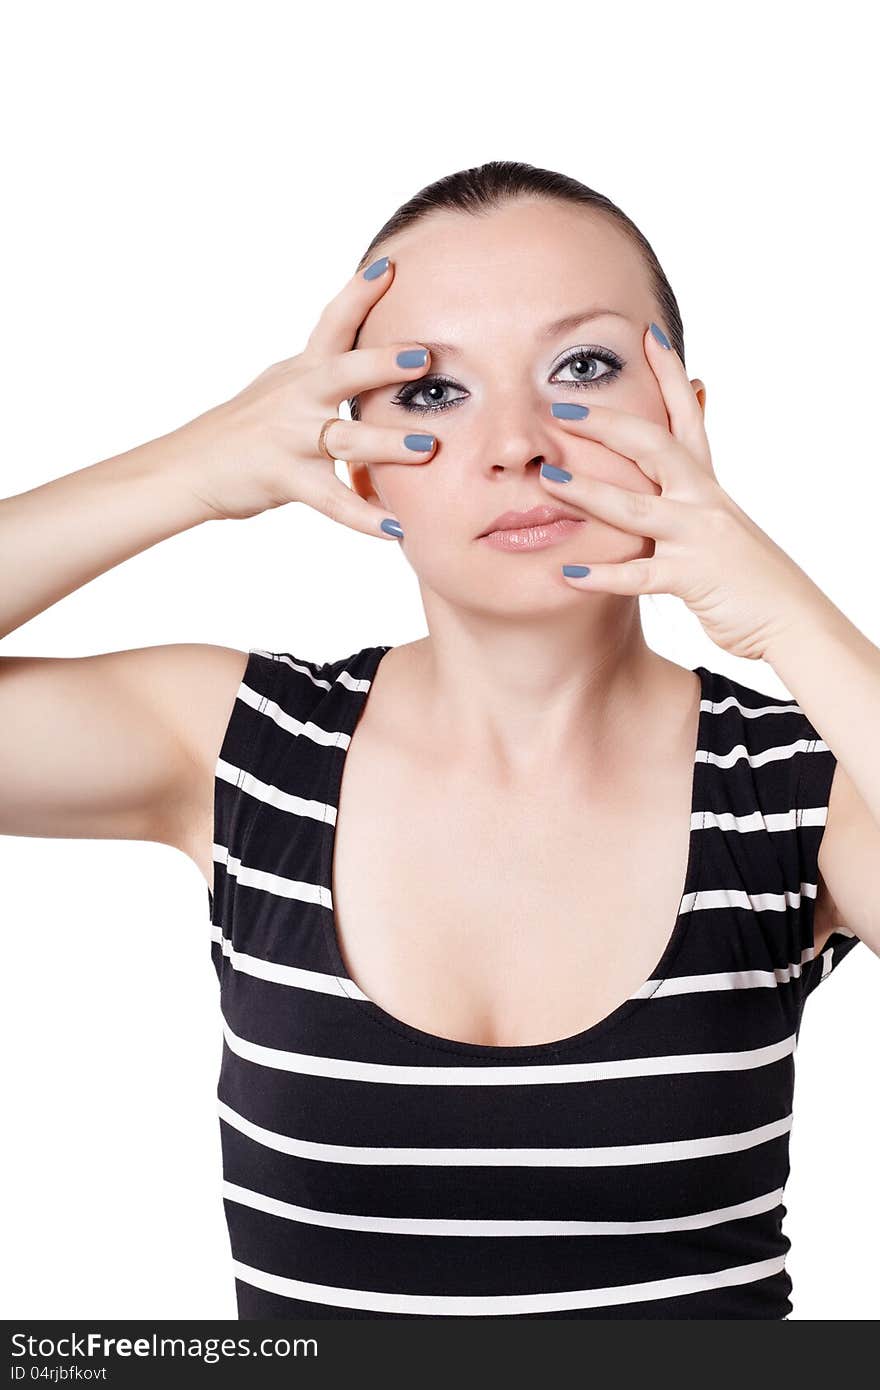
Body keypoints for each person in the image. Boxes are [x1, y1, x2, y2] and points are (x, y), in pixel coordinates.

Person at [1, 159, 877, 1320]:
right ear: (351, 453)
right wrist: (194, 471)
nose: (516, 442)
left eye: (583, 366)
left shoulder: (800, 782)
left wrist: (789, 617)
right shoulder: (246, 749)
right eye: (430, 392)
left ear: (682, 419)